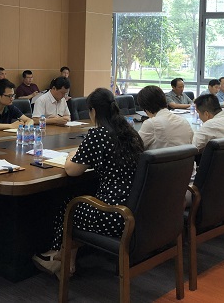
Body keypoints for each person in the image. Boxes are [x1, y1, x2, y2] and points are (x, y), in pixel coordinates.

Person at [32, 88, 144, 276]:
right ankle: (66, 260)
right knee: (77, 199)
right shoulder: (130, 132)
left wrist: (71, 154)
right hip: (136, 208)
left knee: (70, 206)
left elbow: (72, 170)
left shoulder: (98, 134)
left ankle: (60, 257)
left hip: (114, 214)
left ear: (93, 111)